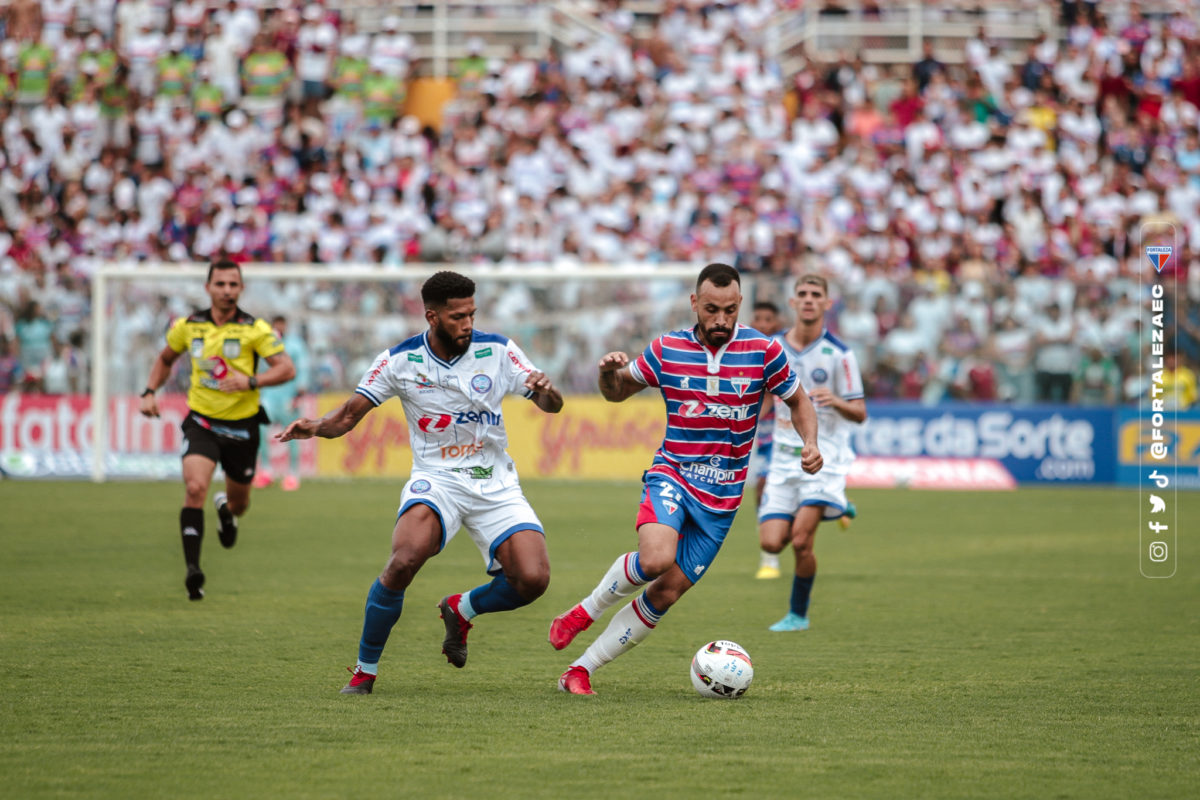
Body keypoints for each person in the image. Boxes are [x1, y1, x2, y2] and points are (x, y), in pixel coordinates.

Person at [277, 271, 563, 695]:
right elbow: (350, 415)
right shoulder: (399, 360)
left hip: (495, 481)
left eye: (471, 314)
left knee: (533, 580)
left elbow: (549, 403)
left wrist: (546, 391)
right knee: (404, 560)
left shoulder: (498, 350)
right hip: (437, 479)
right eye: (457, 316)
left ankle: (461, 609)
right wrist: (316, 427)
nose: (467, 323)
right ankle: (364, 671)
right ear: (432, 316)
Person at [549, 264, 822, 695]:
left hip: (723, 500)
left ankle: (579, 671)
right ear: (694, 303)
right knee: (655, 559)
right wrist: (607, 373)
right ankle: (582, 612)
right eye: (711, 309)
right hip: (673, 473)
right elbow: (617, 391)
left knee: (666, 593)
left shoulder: (763, 350)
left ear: (740, 305)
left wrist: (811, 443)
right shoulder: (667, 349)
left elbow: (799, 400)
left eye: (729, 310)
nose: (720, 320)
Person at [140, 261, 297, 601]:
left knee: (241, 505)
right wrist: (150, 391)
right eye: (221, 284)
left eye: (233, 285)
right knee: (195, 487)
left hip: (242, 426)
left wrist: (251, 380)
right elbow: (166, 359)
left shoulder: (255, 329)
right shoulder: (188, 326)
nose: (227, 290)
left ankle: (227, 510)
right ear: (208, 287)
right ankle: (193, 571)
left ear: (240, 290)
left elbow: (287, 369)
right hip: (203, 422)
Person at [756, 275, 867, 632]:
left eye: (815, 295)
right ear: (792, 303)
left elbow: (860, 412)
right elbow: (759, 397)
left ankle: (797, 614)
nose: (808, 300)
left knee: (801, 542)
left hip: (825, 456)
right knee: (772, 543)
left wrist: (835, 400)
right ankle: (836, 505)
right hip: (782, 458)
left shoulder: (840, 354)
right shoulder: (772, 347)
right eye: (801, 294)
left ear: (826, 304)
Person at [255, 315, 310, 490]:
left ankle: (293, 474)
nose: (279, 327)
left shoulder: (295, 345)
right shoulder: (265, 344)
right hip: (269, 395)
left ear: (285, 325)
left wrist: (300, 390)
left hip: (288, 396)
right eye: (276, 324)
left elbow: (303, 368)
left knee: (292, 434)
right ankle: (266, 471)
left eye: (281, 324)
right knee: (261, 431)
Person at [749, 301, 784, 579]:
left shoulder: (778, 350)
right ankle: (768, 556)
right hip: (763, 432)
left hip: (783, 429)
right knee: (761, 489)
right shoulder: (747, 350)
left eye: (767, 318)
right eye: (757, 318)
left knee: (767, 485)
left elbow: (773, 394)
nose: (762, 323)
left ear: (776, 322)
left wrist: (751, 418)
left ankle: (769, 559)